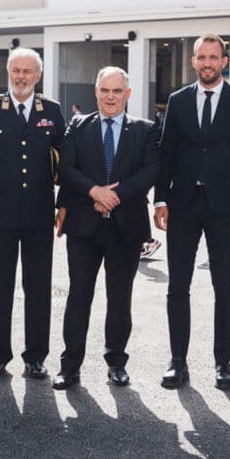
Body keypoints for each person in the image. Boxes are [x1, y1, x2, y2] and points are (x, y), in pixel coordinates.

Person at [153, 34, 230, 391]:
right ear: (193, 61)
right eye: (202, 57)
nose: (207, 63)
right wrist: (160, 200)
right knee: (177, 286)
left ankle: (223, 363)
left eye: (214, 57)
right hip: (182, 204)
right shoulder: (178, 100)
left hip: (224, 208)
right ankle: (177, 361)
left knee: (224, 286)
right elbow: (166, 153)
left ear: (224, 62)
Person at [52, 66, 160, 389]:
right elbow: (66, 168)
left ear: (128, 94)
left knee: (120, 298)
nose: (110, 97)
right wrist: (93, 191)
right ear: (96, 92)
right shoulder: (78, 126)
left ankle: (116, 362)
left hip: (126, 227)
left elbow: (151, 170)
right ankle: (70, 365)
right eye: (105, 90)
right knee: (78, 296)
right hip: (83, 227)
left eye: (117, 91)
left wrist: (114, 195)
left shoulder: (145, 130)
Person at [0, 47, 65, 380]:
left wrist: (64, 204)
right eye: (15, 71)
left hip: (39, 215)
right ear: (8, 73)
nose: (21, 77)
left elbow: (66, 162)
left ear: (38, 75)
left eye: (27, 71)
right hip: (0, 215)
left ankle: (36, 356)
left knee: (38, 287)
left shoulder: (51, 110)